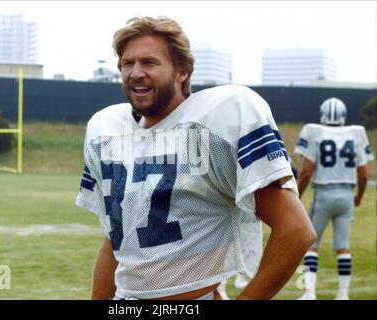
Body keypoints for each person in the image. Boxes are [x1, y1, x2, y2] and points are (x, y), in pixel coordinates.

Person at [76, 16, 315, 300]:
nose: (135, 72)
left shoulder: (217, 122)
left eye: (149, 62)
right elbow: (117, 241)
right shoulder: (108, 131)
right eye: (128, 63)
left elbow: (296, 230)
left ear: (182, 72)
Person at [294, 97, 374, 300]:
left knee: (311, 245)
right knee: (343, 246)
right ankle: (342, 295)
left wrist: (296, 196)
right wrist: (359, 197)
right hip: (347, 195)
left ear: (322, 114)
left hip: (323, 195)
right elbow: (363, 175)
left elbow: (306, 172)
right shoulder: (356, 133)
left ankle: (310, 293)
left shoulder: (314, 131)